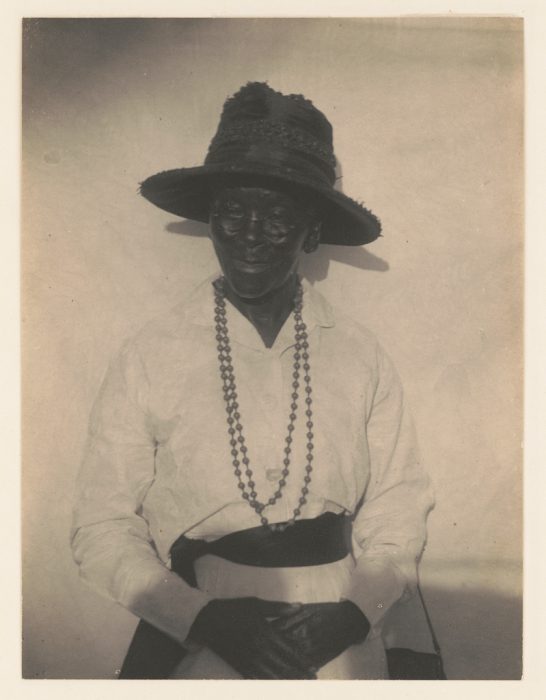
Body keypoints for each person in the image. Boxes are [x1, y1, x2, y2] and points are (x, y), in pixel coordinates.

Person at [71, 82, 435, 680]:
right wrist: (199, 618)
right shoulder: (151, 353)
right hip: (202, 634)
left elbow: (399, 501)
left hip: (340, 631)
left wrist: (353, 613)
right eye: (232, 211)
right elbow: (99, 524)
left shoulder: (360, 355)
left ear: (311, 233)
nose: (248, 233)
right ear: (211, 218)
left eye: (276, 217)